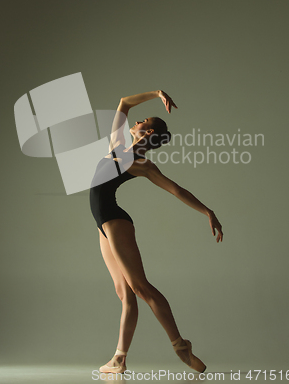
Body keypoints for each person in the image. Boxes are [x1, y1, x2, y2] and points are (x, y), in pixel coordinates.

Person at [89, 90, 223, 374]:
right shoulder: (118, 144)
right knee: (125, 293)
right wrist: (156, 93)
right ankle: (119, 359)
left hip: (115, 220)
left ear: (147, 131)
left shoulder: (143, 165)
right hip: (102, 225)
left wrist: (207, 211)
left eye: (142, 120)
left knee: (140, 288)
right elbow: (124, 102)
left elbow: (176, 190)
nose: (134, 121)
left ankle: (180, 345)